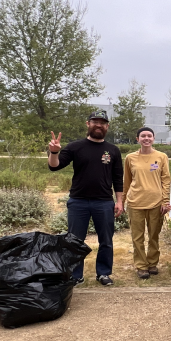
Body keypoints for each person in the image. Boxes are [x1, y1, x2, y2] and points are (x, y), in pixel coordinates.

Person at [48, 110, 123, 286]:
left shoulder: (113, 150)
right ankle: (76, 275)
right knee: (75, 241)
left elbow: (118, 178)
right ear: (88, 124)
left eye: (102, 123)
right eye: (95, 122)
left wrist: (119, 201)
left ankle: (103, 273)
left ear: (107, 126)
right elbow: (54, 166)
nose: (99, 125)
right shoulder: (75, 147)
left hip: (104, 202)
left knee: (106, 240)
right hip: (78, 202)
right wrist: (54, 152)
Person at [122, 127, 171, 279]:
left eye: (149, 136)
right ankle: (141, 266)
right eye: (143, 136)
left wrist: (165, 201)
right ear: (138, 139)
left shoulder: (161, 156)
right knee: (137, 237)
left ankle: (152, 263)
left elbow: (166, 180)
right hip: (135, 202)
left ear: (153, 138)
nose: (146, 138)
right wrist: (121, 201)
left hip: (156, 203)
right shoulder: (130, 158)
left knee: (154, 235)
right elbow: (126, 181)